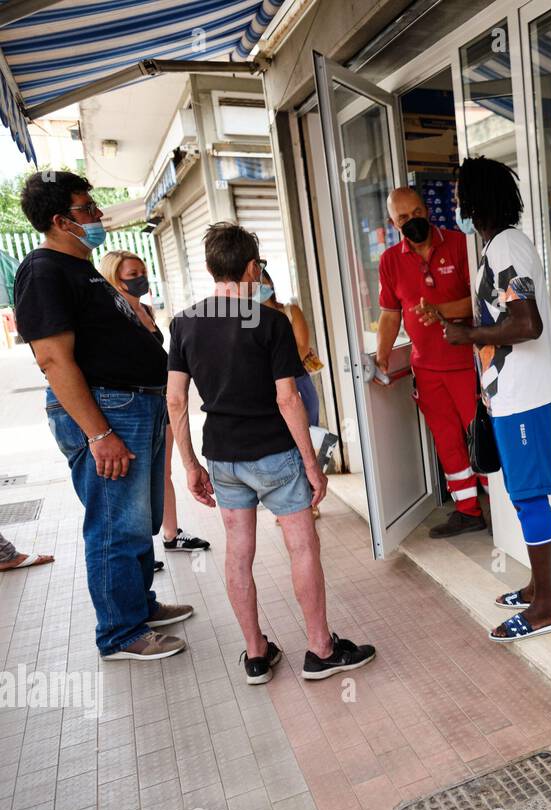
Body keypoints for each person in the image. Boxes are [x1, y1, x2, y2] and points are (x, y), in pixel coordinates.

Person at [167, 222, 375, 684]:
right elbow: (288, 399)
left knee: (238, 553)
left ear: (208, 267)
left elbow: (176, 400)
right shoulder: (270, 321)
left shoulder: (183, 323)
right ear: (252, 268)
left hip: (222, 457)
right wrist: (310, 462)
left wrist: (189, 465)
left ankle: (256, 654)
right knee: (302, 545)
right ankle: (320, 650)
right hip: (276, 453)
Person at [13, 171, 192, 662]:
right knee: (114, 524)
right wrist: (98, 433)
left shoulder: (84, 269)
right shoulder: (44, 271)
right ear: (59, 221)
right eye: (86, 210)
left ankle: (139, 607)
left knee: (137, 521)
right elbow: (52, 360)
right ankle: (120, 632)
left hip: (135, 405)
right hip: (109, 412)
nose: (97, 217)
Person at [443, 157, 551, 643]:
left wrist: (469, 335)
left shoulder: (506, 247)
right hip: (511, 394)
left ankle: (546, 606)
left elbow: (526, 323)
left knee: (529, 495)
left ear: (475, 201)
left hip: (525, 397)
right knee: (523, 493)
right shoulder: (498, 247)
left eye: (459, 196)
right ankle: (538, 587)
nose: (456, 205)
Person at [377, 186, 486, 538]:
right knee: (447, 441)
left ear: (427, 210)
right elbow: (390, 314)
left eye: (417, 213)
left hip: (468, 363)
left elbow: (479, 301)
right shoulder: (390, 261)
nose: (413, 221)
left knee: (483, 436)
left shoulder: (459, 244)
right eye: (403, 218)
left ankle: (502, 506)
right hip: (426, 369)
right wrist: (381, 356)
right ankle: (469, 512)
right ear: (393, 223)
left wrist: (439, 311)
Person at [98, 249, 211, 562]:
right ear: (113, 279)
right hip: (134, 406)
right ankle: (139, 550)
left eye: (142, 272)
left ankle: (172, 535)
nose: (140, 280)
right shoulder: (113, 316)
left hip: (162, 402)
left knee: (163, 472)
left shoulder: (146, 309)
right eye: (131, 275)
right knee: (138, 479)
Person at [257, 265, 321, 427]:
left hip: (298, 381)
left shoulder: (291, 312)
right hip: (268, 388)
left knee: (311, 429)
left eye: (261, 283)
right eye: (253, 285)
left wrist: (278, 372)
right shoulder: (251, 322)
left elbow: (302, 347)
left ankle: (320, 452)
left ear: (270, 283)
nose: (258, 288)